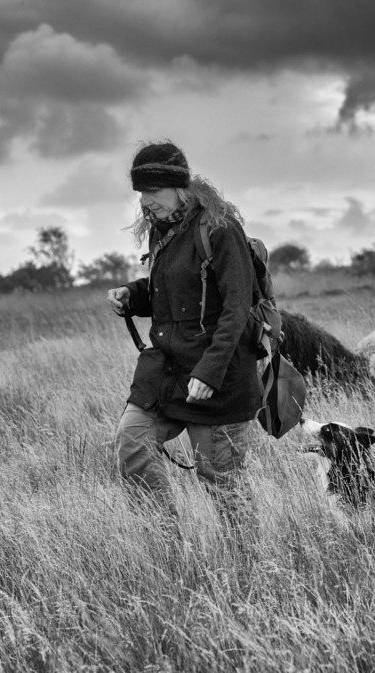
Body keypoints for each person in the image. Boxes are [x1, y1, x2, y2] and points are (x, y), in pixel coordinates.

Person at [107, 141, 261, 551]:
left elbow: (236, 310)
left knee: (221, 480)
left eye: (153, 191)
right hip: (167, 372)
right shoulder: (164, 231)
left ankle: (252, 566)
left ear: (178, 187)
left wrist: (208, 373)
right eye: (141, 192)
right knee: (132, 443)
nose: (145, 201)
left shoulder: (220, 230)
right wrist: (132, 294)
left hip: (218, 377)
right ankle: (169, 548)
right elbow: (172, 293)